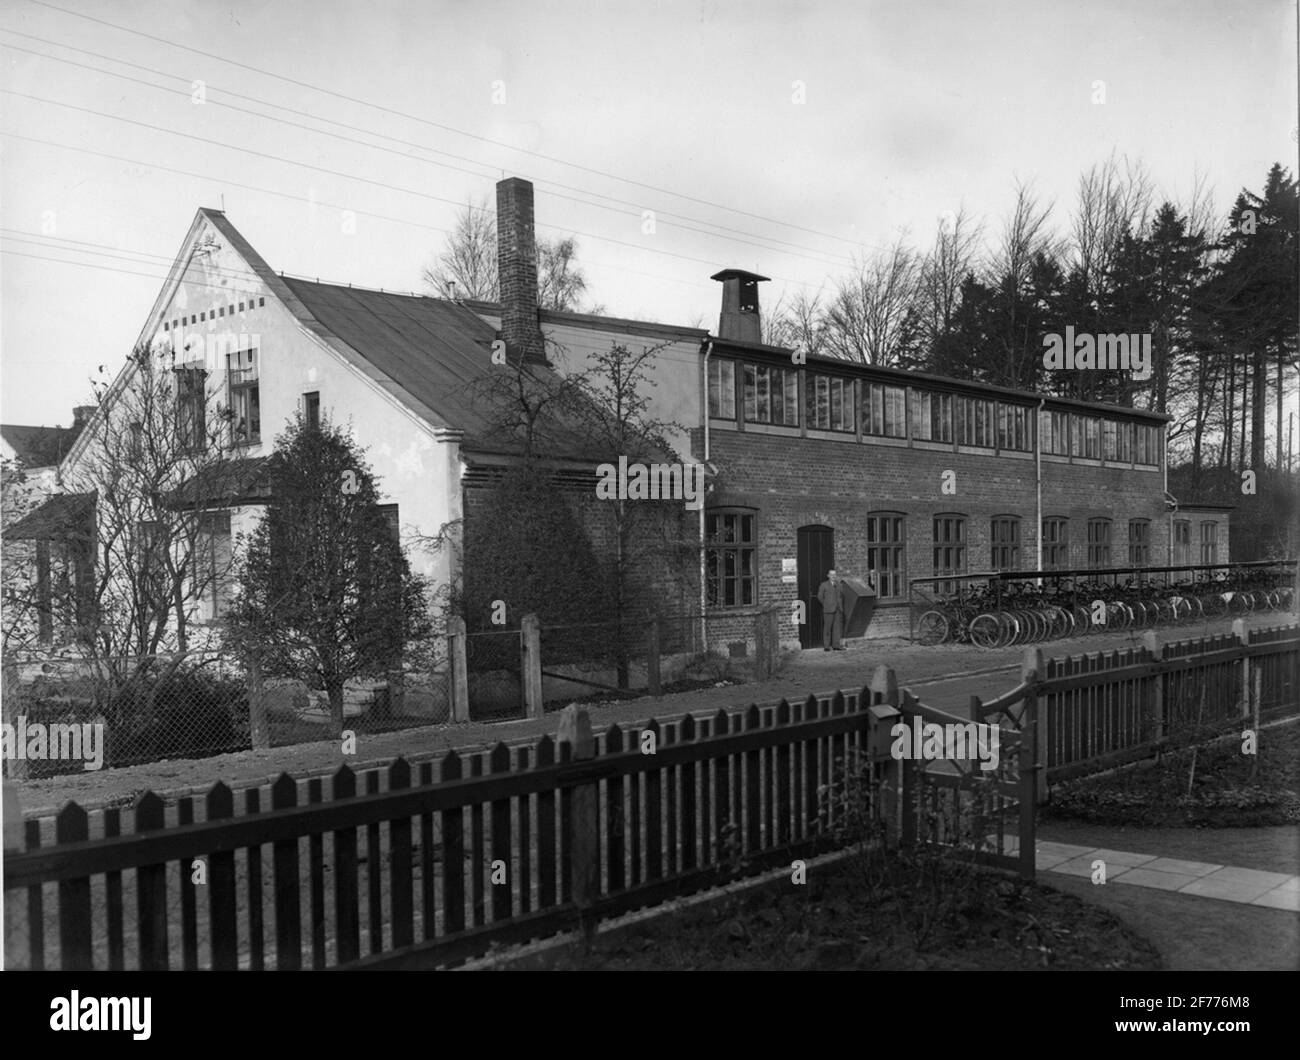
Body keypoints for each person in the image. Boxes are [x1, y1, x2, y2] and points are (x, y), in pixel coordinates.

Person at [816, 569, 847, 651]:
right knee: (827, 628)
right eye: (831, 575)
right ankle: (826, 646)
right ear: (828, 576)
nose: (833, 576)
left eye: (835, 575)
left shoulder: (839, 585)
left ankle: (836, 645)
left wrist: (840, 606)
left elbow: (841, 596)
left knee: (837, 628)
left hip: (838, 609)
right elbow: (820, 597)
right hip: (828, 610)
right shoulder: (824, 585)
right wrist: (826, 604)